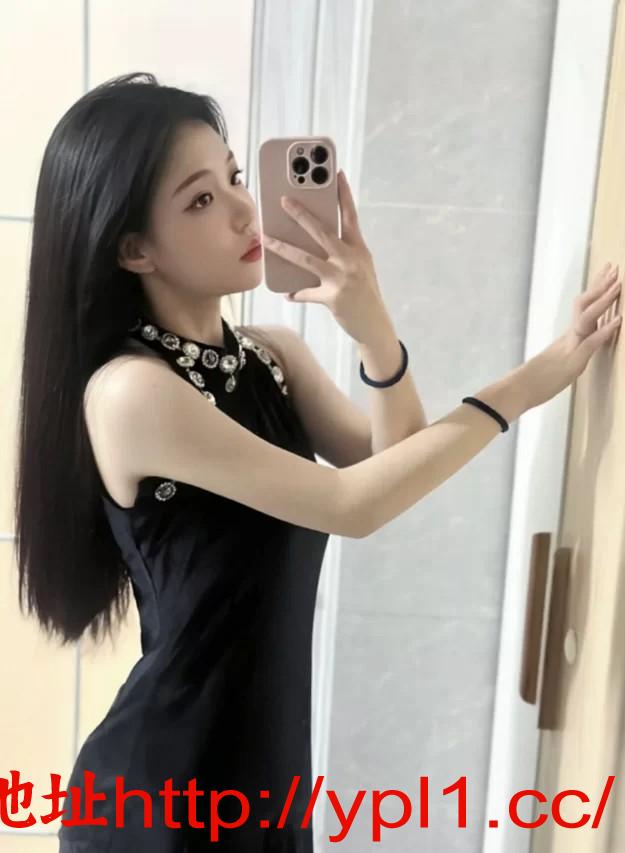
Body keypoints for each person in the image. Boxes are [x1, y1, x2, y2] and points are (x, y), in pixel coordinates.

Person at [12, 71, 621, 852]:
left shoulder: (272, 357)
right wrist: (530, 383)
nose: (244, 210)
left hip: (264, 784)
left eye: (235, 177)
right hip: (162, 796)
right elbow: (351, 505)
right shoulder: (133, 392)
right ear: (133, 249)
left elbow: (390, 463)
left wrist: (372, 328)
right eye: (200, 200)